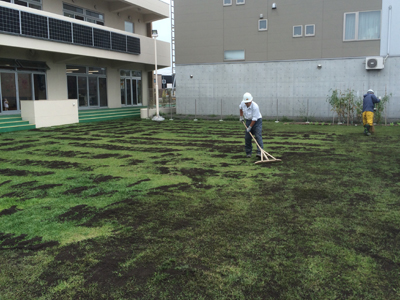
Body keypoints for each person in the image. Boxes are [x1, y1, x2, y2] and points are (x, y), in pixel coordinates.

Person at [239, 92, 264, 158]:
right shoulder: (242, 103)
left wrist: (250, 127)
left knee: (258, 136)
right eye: (246, 102)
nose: (247, 103)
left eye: (248, 102)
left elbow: (255, 119)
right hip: (248, 120)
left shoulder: (255, 106)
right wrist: (241, 117)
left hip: (257, 121)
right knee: (247, 137)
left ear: (251, 100)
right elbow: (240, 108)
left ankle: (260, 152)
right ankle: (248, 153)